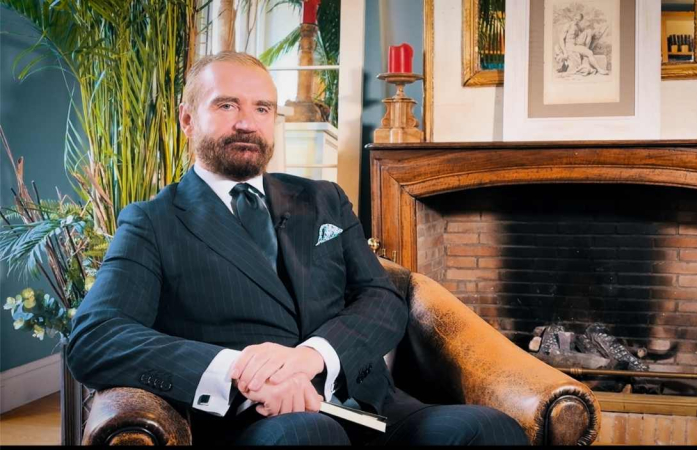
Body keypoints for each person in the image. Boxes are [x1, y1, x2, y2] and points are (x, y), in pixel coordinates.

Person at [66, 51, 529, 446]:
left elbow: (382, 298)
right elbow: (94, 337)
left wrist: (312, 358)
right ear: (188, 119)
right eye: (227, 105)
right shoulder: (152, 221)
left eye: (262, 108)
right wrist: (240, 371)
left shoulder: (324, 198)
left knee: (489, 428)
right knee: (309, 435)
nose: (247, 122)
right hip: (253, 418)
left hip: (367, 405)